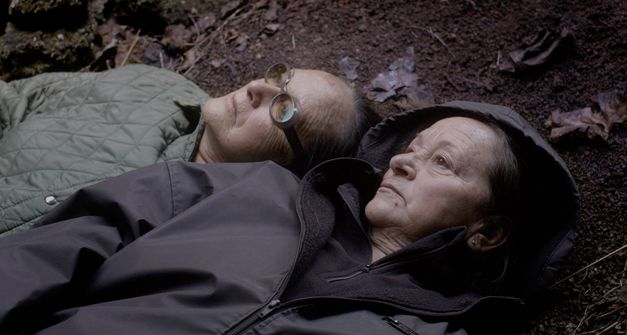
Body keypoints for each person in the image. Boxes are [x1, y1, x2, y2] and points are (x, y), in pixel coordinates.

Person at [0, 101, 579, 334]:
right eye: (411, 148)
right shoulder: (254, 188)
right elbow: (71, 239)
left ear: (488, 232)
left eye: (442, 162)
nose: (405, 162)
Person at [0, 63, 378, 236]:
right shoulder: (152, 84)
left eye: (284, 108)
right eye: (279, 77)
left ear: (291, 167)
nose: (256, 87)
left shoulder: (198, 237)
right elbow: (16, 101)